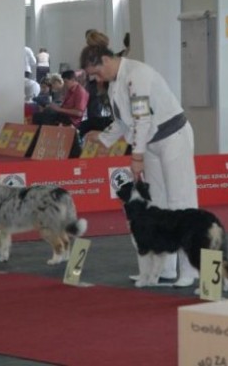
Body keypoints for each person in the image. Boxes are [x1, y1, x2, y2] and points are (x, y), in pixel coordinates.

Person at [80, 30, 198, 288]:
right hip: (153, 142)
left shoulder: (137, 75)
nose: (96, 79)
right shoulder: (115, 84)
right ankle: (164, 268)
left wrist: (136, 157)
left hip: (173, 137)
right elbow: (124, 121)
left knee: (181, 203)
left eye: (96, 73)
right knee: (159, 204)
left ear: (106, 60)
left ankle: (190, 269)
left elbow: (143, 119)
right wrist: (103, 138)